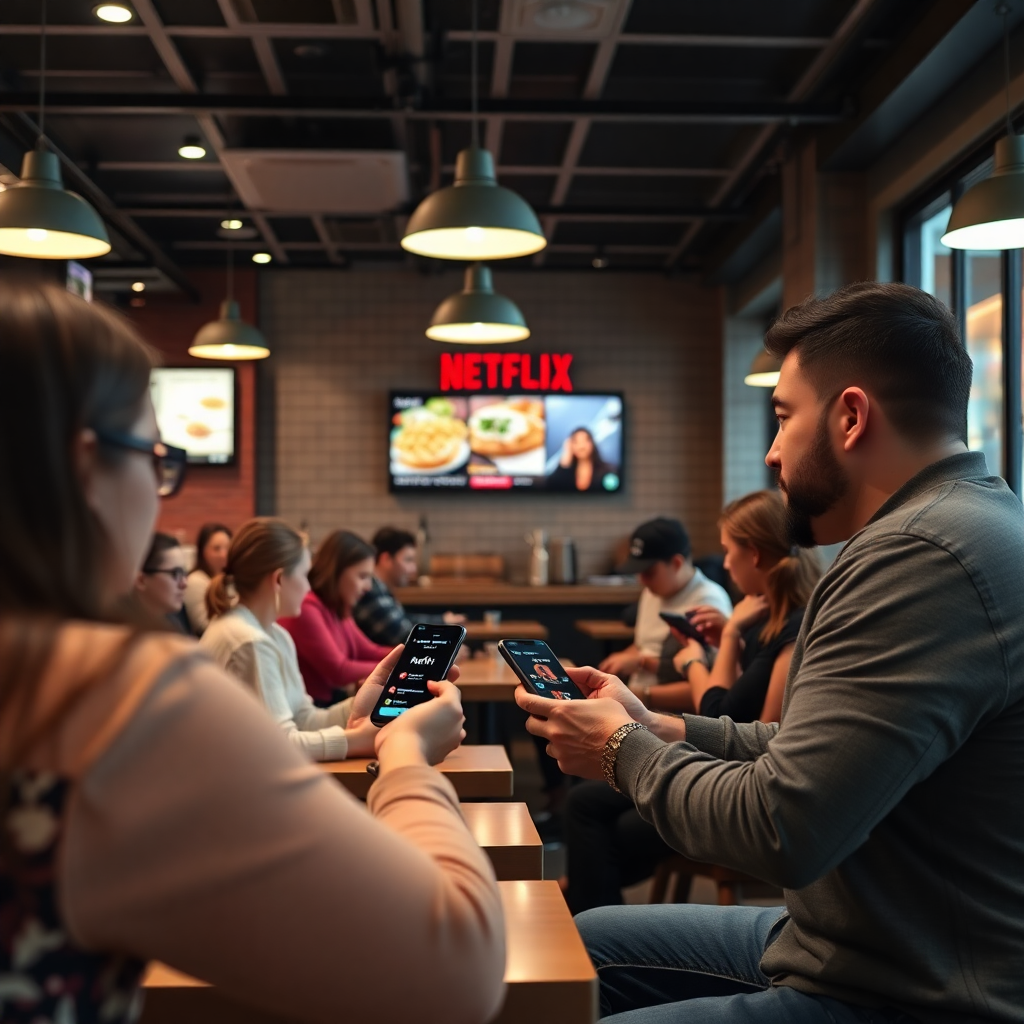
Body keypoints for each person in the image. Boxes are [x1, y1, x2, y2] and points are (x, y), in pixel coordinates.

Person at [516, 281, 1024, 1023]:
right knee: (585, 939)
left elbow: (781, 827)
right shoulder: (964, 521)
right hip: (856, 942)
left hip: (913, 989)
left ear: (851, 416)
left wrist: (622, 749)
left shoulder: (920, 556)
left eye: (785, 417)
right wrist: (667, 729)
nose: (772, 449)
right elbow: (816, 749)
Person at [0, 282, 505, 1024]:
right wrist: (403, 757)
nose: (159, 495)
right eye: (154, 457)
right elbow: (457, 971)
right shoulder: (110, 702)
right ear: (86, 468)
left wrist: (357, 712)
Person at [561, 490, 821, 913]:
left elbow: (739, 717)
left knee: (605, 829)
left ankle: (588, 919)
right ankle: (588, 913)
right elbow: (734, 700)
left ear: (753, 554)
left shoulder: (788, 627)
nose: (724, 564)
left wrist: (702, 655)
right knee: (585, 803)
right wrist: (727, 639)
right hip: (718, 756)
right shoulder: (765, 618)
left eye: (726, 551)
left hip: (741, 782)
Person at [200, 518, 382, 761]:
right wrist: (357, 741)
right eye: (305, 575)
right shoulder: (247, 640)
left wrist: (361, 704)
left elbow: (304, 719)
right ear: (278, 579)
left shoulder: (275, 634)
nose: (309, 588)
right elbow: (278, 746)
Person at [600, 517, 732, 694]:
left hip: (669, 714)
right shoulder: (652, 591)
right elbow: (645, 645)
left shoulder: (708, 601)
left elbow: (712, 689)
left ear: (676, 563)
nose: (642, 580)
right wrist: (621, 659)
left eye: (649, 572)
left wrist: (641, 693)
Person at [280, 529, 393, 704]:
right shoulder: (306, 607)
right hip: (313, 708)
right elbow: (339, 670)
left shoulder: (335, 606)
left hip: (326, 703)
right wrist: (399, 667)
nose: (368, 586)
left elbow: (370, 651)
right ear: (336, 571)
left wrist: (414, 656)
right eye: (362, 576)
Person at [354, 526, 465, 647]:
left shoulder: (381, 590)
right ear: (386, 559)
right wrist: (445, 644)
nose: (414, 569)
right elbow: (403, 636)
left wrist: (443, 621)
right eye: (408, 560)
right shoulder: (371, 592)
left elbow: (405, 620)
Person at [132, 532, 191, 632]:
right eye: (175, 573)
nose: (184, 584)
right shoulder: (122, 636)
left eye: (184, 573)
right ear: (141, 580)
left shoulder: (174, 622)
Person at [182, 521, 232, 635]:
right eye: (216, 548)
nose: (224, 554)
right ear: (203, 552)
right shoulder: (196, 581)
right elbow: (203, 626)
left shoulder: (231, 581)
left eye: (228, 548)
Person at [548, 427, 614, 492]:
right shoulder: (566, 473)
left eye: (585, 440)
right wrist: (566, 455)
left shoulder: (608, 471)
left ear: (592, 443)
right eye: (576, 442)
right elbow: (551, 486)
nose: (581, 446)